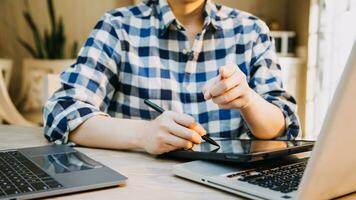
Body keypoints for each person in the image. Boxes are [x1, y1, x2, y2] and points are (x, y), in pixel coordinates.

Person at [44, 0, 300, 155]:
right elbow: (64, 111)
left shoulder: (251, 30)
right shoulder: (118, 26)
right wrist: (144, 134)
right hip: (137, 187)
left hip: (228, 187)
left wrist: (249, 101)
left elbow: (282, 128)